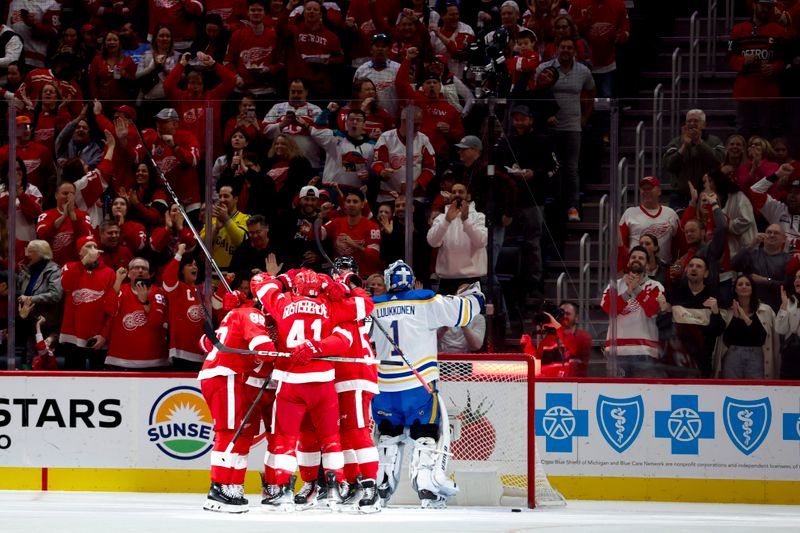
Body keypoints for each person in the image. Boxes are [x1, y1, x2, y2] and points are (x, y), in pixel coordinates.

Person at [251, 268, 374, 509]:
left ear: (295, 288)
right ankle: (334, 489)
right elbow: (365, 305)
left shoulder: (283, 301)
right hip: (324, 384)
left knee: (286, 439)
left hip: (291, 383)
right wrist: (339, 286)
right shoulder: (330, 306)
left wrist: (281, 278)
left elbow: (262, 287)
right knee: (331, 439)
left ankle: (284, 489)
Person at [370, 260, 484, 508]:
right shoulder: (426, 301)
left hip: (383, 386)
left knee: (388, 435)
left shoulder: (373, 307)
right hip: (418, 384)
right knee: (425, 435)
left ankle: (381, 485)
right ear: (410, 282)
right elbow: (464, 311)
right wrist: (477, 296)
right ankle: (427, 486)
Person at [294, 257, 382, 513]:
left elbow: (363, 310)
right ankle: (352, 484)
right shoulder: (327, 299)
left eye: (346, 272)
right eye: (337, 272)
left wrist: (349, 287)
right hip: (334, 376)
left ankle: (370, 487)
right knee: (340, 436)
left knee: (356, 431)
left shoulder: (350, 300)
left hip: (353, 372)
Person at [198, 291, 277, 513]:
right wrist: (278, 355)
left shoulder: (235, 314)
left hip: (218, 375)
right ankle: (219, 488)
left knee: (234, 432)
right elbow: (261, 344)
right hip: (226, 375)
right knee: (228, 432)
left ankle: (229, 486)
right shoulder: (252, 314)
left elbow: (206, 342)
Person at [495, 104, 559, 297]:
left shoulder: (542, 140)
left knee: (533, 243)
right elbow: (497, 166)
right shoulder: (506, 141)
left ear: (530, 120)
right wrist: (510, 174)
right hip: (510, 202)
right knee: (507, 243)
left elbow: (554, 167)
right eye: (516, 119)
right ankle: (511, 285)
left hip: (534, 200)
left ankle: (534, 284)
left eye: (523, 118)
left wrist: (534, 173)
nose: (519, 122)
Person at [601, 246, 666, 378]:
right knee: (617, 395)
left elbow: (653, 310)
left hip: (645, 351)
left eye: (641, 258)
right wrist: (628, 293)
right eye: (633, 257)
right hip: (617, 351)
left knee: (645, 394)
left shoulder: (656, 286)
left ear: (647, 265)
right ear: (628, 262)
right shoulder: (614, 285)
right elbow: (609, 309)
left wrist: (636, 289)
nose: (636, 260)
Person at [727, 0, 786, 139]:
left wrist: (774, 67)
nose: (765, 9)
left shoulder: (778, 31)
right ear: (754, 5)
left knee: (766, 131)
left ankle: (766, 160)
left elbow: (783, 59)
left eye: (768, 6)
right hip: (745, 91)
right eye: (762, 5)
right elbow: (729, 57)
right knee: (742, 130)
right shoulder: (738, 29)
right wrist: (743, 60)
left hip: (767, 91)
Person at [58, 236, 118, 370]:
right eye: (88, 246)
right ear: (80, 252)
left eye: (95, 247)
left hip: (97, 338)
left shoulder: (109, 272)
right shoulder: (69, 267)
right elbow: (66, 284)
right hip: (72, 335)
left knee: (99, 380)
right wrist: (84, 263)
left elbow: (113, 307)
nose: (93, 250)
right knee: (72, 379)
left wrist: (104, 335)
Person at [105, 257, 168, 370]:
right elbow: (110, 310)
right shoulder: (120, 290)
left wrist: (145, 301)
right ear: (128, 273)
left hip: (153, 361)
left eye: (144, 268)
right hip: (120, 360)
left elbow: (156, 321)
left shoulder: (158, 292)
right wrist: (118, 280)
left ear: (149, 275)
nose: (140, 270)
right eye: (136, 268)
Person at [427, 182, 487, 295]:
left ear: (468, 196)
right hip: (446, 280)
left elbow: (481, 242)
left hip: (471, 279)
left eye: (460, 192)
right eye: (453, 192)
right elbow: (432, 242)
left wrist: (466, 221)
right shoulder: (441, 218)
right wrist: (446, 221)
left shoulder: (479, 216)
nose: (457, 194)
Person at [715, 274, 778, 379]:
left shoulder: (765, 310)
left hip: (757, 356)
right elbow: (727, 340)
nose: (744, 286)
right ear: (735, 289)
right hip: (732, 356)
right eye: (740, 284)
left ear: (752, 289)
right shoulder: (728, 311)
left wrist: (745, 318)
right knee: (731, 390)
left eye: (747, 284)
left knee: (756, 391)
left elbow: (762, 338)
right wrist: (735, 317)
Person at [662, 109, 726, 209]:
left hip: (707, 195)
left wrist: (699, 142)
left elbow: (718, 161)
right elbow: (668, 165)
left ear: (704, 125)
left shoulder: (714, 141)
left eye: (696, 121)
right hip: (680, 196)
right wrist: (684, 146)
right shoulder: (676, 142)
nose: (692, 123)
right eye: (689, 121)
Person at [224, 0, 283, 97]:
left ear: (265, 12)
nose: (256, 13)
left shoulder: (273, 35)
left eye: (259, 10)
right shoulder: (237, 35)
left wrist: (269, 69)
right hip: (241, 90)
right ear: (248, 12)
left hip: (266, 90)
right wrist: (236, 77)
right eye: (253, 10)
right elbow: (227, 61)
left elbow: (280, 62)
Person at [262, 79, 324, 170]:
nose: (295, 95)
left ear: (306, 92)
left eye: (299, 92)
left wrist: (305, 126)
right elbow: (264, 132)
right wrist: (282, 124)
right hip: (281, 165)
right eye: (293, 91)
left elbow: (323, 136)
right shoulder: (277, 108)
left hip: (310, 164)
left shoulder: (316, 110)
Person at [618, 176, 679, 266]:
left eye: (649, 188)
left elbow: (681, 248)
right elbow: (620, 245)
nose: (646, 191)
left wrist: (676, 269)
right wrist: (622, 270)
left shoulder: (671, 214)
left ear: (659, 191)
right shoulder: (629, 213)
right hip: (637, 270)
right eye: (643, 189)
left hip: (663, 271)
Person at [162, 243, 205, 371]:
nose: (194, 267)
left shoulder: (203, 289)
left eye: (195, 265)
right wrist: (179, 255)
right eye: (190, 265)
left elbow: (216, 307)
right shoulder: (177, 288)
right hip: (181, 352)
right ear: (181, 270)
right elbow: (168, 278)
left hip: (202, 351)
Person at [320, 189, 382, 276]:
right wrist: (320, 216)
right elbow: (316, 236)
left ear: (362, 204)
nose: (351, 204)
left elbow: (374, 256)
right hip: (339, 277)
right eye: (348, 201)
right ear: (344, 204)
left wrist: (354, 244)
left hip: (363, 277)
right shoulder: (336, 222)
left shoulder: (372, 227)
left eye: (355, 201)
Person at [731, 224, 790, 312]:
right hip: (751, 307)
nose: (772, 235)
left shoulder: (788, 259)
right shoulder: (752, 254)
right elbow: (734, 265)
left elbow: (788, 286)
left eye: (776, 233)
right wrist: (751, 245)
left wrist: (766, 280)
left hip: (777, 307)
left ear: (784, 239)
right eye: (769, 232)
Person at [35, 181, 93, 266]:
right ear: (56, 195)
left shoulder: (83, 215)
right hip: (52, 268)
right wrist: (64, 216)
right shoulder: (46, 215)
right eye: (65, 193)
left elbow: (86, 238)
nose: (68, 197)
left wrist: (72, 215)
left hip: (76, 266)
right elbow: (42, 235)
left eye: (72, 194)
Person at [201, 180, 250, 271]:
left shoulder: (245, 219)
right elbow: (202, 243)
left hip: (234, 276)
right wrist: (216, 228)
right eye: (220, 196)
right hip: (212, 276)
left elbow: (241, 241)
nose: (222, 200)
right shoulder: (212, 220)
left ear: (235, 199)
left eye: (226, 196)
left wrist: (226, 219)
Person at [353, 32, 402, 117]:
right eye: (377, 46)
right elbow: (355, 96)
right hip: (367, 119)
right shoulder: (361, 70)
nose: (380, 49)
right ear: (371, 49)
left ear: (389, 49)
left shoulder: (398, 69)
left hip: (393, 117)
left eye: (383, 46)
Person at [437, 283, 487, 354]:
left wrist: (464, 324)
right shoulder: (443, 313)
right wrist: (442, 330)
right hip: (441, 357)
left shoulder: (478, 318)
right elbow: (428, 340)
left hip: (465, 359)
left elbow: (476, 346)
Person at [775, 275, 800, 379]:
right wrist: (784, 307)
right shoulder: (790, 302)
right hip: (792, 353)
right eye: (796, 278)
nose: (797, 280)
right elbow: (780, 329)